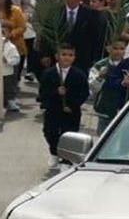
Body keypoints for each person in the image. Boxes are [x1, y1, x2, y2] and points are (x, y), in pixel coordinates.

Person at [39, 42, 89, 170]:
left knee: (69, 134)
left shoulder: (79, 74)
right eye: (64, 54)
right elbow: (42, 92)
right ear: (57, 56)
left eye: (70, 55)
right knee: (50, 132)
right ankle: (54, 152)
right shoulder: (49, 73)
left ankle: (66, 159)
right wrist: (56, 92)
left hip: (71, 111)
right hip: (53, 109)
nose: (67, 57)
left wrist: (72, 105)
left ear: (74, 57)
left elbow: (84, 93)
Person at [41, 0, 106, 75]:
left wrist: (95, 58)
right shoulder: (55, 12)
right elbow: (46, 34)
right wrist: (45, 54)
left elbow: (97, 37)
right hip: (58, 57)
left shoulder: (92, 14)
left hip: (82, 58)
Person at [90, 39, 127, 135]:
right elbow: (93, 87)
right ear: (108, 48)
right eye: (115, 48)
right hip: (104, 106)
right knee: (103, 134)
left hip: (122, 106)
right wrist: (100, 76)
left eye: (122, 49)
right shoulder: (100, 65)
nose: (118, 51)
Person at [1, 26, 21, 112]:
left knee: (8, 87)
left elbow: (16, 59)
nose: (2, 35)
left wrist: (7, 60)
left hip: (7, 71)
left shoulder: (11, 47)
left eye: (4, 33)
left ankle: (10, 101)